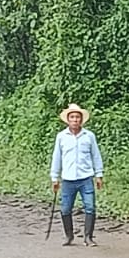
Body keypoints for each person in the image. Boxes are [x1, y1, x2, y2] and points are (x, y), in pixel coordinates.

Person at [50, 103, 103, 246]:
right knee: (65, 208)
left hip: (86, 178)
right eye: (72, 117)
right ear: (68, 120)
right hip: (68, 179)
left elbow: (96, 155)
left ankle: (88, 237)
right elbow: (57, 158)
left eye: (77, 117)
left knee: (90, 207)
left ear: (81, 120)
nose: (75, 120)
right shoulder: (61, 137)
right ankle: (69, 236)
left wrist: (99, 174)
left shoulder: (89, 136)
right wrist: (55, 177)